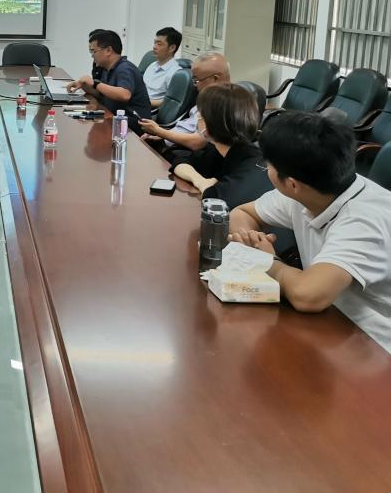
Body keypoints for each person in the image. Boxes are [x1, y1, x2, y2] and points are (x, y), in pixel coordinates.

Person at [229, 111, 391, 353]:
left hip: (373, 347)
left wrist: (266, 261)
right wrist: (251, 238)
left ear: (292, 183)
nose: (266, 168)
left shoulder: (364, 220)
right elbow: (242, 213)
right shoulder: (312, 188)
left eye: (268, 165)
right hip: (327, 325)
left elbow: (308, 295)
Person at [171, 83, 271, 204]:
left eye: (200, 115)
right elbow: (180, 162)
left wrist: (207, 189)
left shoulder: (251, 164)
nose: (197, 118)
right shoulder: (218, 148)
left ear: (208, 126)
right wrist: (199, 181)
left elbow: (219, 199)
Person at [138, 51, 230, 152]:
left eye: (197, 80)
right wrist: (161, 135)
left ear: (215, 79)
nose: (195, 85)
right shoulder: (208, 98)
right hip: (170, 141)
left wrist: (159, 131)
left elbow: (196, 143)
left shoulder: (221, 104)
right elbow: (188, 128)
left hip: (181, 151)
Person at [66, 29, 152, 121]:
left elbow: (124, 95)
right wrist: (85, 85)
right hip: (114, 117)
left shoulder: (125, 68)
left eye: (94, 51)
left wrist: (95, 83)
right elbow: (102, 95)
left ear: (108, 50)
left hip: (131, 123)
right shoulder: (107, 68)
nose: (92, 55)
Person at [145, 27, 183, 108]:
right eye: (155, 43)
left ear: (172, 48)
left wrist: (143, 101)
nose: (154, 47)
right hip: (138, 105)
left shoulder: (175, 73)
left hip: (151, 110)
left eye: (159, 44)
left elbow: (170, 103)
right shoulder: (152, 65)